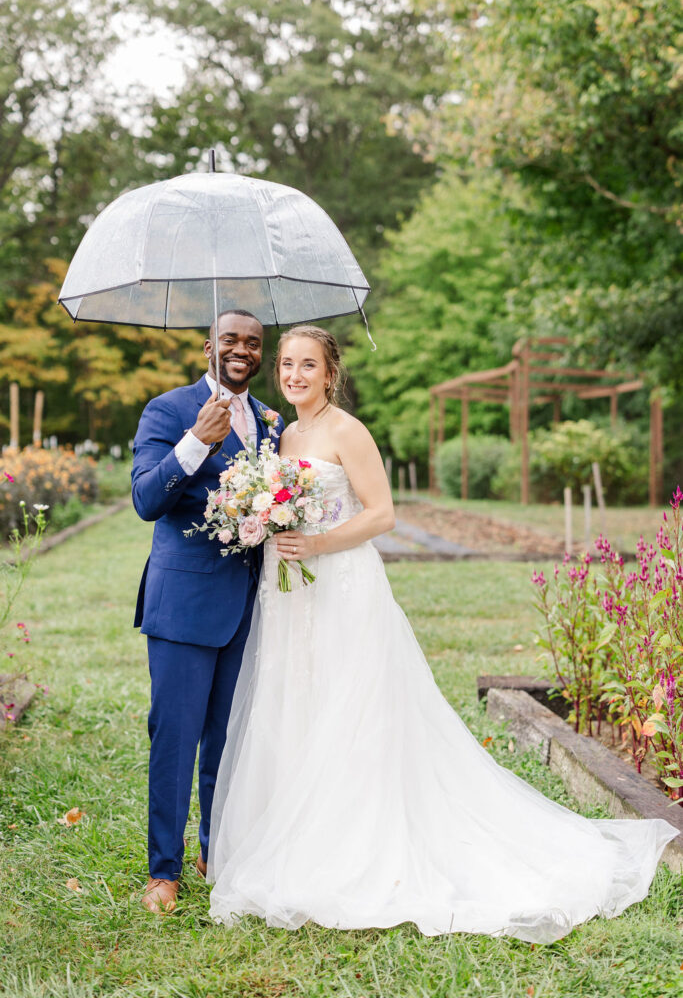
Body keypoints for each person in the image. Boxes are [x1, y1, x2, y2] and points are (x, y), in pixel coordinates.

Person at [206, 323, 678, 942]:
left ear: (330, 373)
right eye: (287, 364)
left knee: (352, 708)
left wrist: (315, 541)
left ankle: (358, 847)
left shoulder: (349, 431)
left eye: (307, 365)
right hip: (292, 592)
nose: (293, 374)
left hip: (343, 584)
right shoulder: (285, 433)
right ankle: (301, 836)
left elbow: (382, 514)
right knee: (300, 703)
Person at [131, 308, 284, 914]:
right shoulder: (167, 411)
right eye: (230, 340)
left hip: (250, 604)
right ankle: (163, 871)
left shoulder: (271, 422)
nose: (241, 349)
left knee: (229, 736)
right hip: (185, 603)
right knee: (176, 736)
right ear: (207, 348)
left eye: (252, 342)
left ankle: (214, 851)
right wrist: (198, 441)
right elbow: (145, 499)